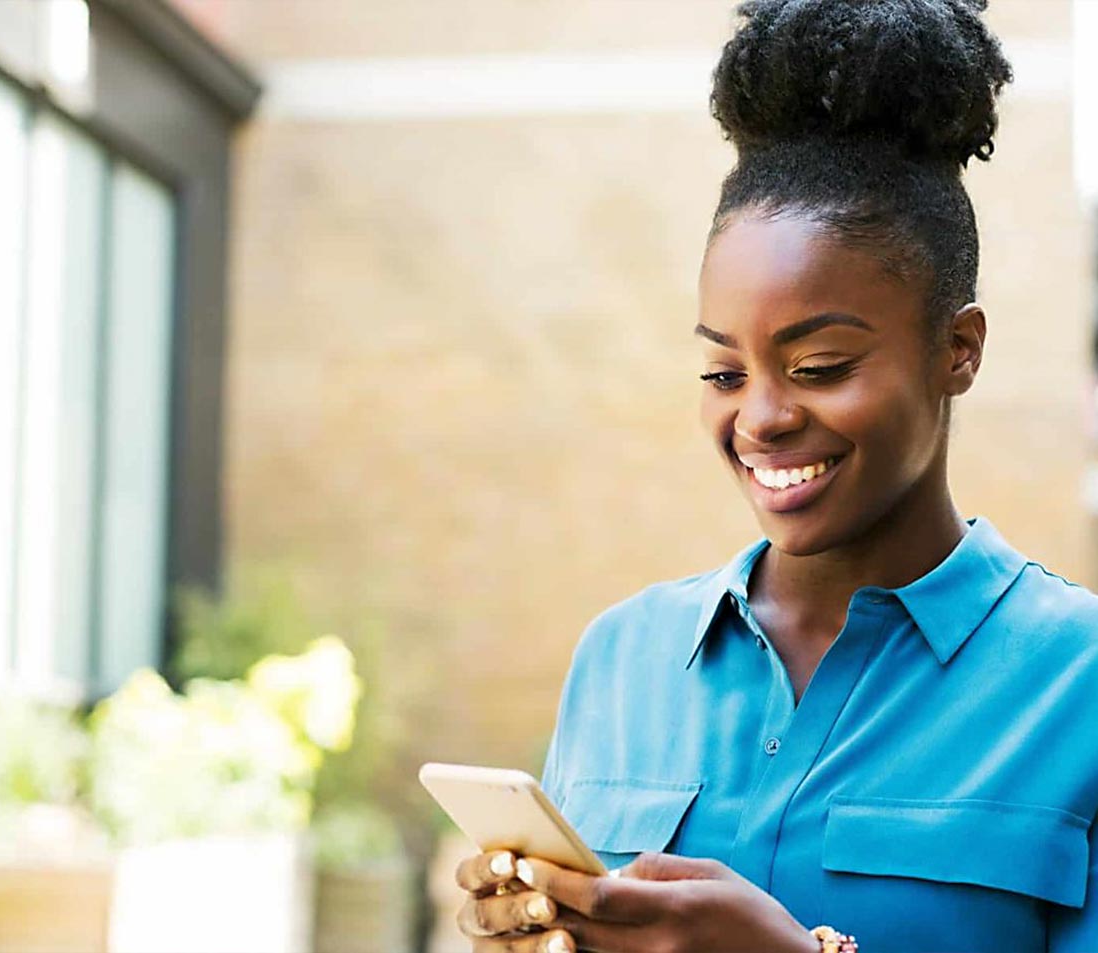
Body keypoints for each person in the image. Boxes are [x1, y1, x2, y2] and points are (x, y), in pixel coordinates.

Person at [452, 1, 1098, 951]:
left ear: (957, 349)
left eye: (821, 366)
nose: (759, 417)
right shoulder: (622, 659)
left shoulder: (1077, 683)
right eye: (723, 371)